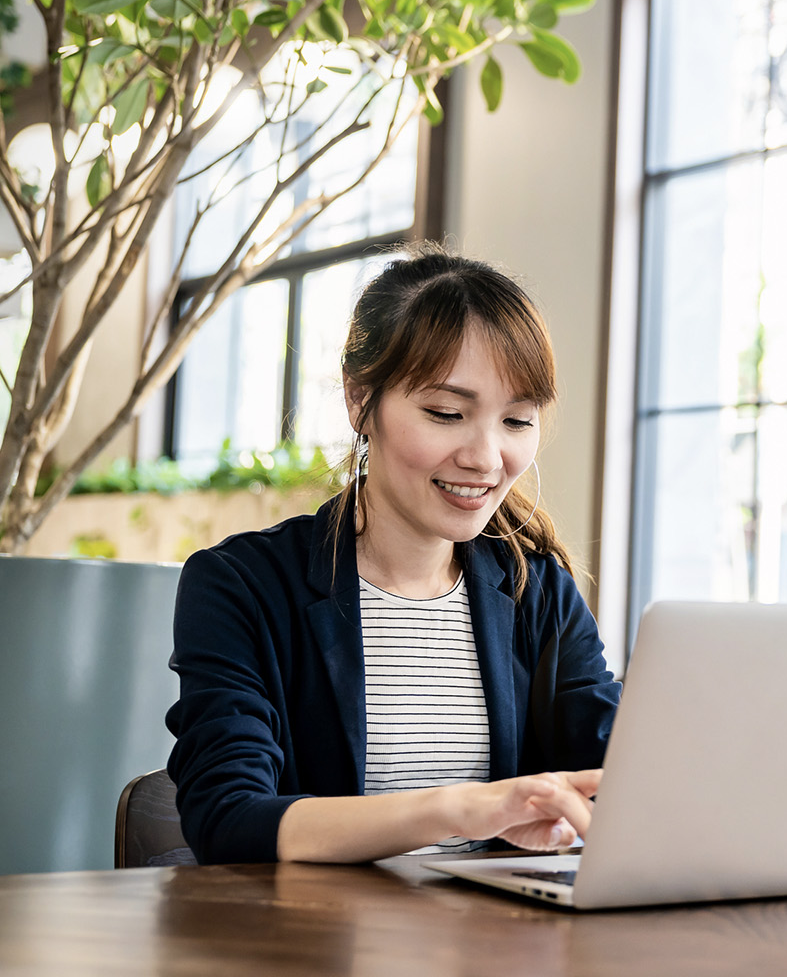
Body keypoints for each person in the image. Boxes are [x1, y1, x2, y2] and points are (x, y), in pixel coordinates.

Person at [165, 245, 620, 864]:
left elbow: (623, 773)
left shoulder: (535, 591)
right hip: (316, 949)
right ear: (360, 401)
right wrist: (459, 808)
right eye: (447, 413)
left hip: (494, 949)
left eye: (517, 421)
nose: (486, 459)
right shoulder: (243, 585)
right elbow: (228, 816)